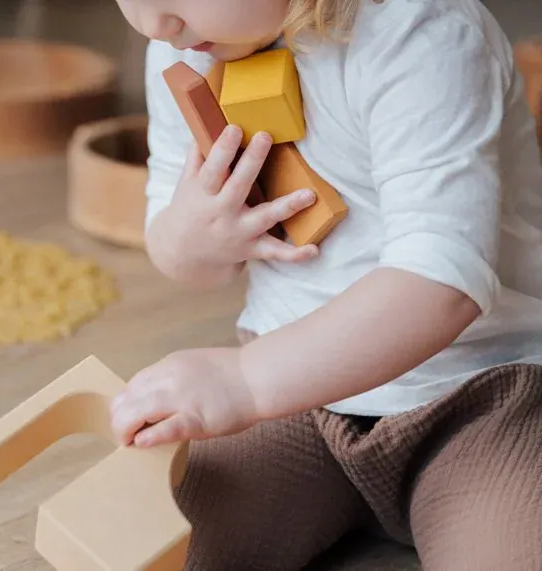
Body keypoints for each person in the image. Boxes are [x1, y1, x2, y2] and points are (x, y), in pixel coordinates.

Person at [108, 0, 542, 569]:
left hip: (480, 395)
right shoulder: (183, 45)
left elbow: (442, 281)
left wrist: (245, 381)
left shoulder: (420, 30)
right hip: (297, 398)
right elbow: (179, 254)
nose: (153, 23)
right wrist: (193, 238)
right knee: (145, 540)